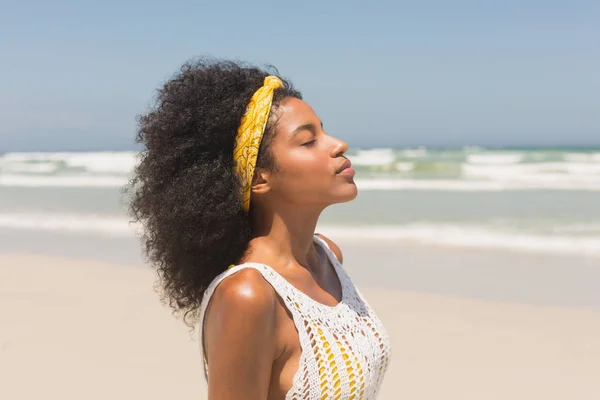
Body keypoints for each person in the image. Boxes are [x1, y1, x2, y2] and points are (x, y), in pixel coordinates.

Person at [127, 57, 391, 400]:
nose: (338, 144)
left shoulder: (328, 256)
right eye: (308, 141)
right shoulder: (249, 295)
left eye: (323, 131)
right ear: (258, 179)